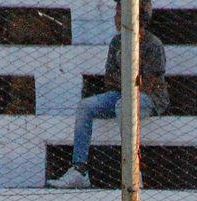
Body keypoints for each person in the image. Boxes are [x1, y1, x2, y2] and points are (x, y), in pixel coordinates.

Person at [47, 0, 168, 189]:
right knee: (85, 106)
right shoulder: (117, 42)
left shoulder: (153, 44)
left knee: (123, 106)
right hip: (121, 93)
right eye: (117, 13)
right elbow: (109, 80)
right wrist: (130, 83)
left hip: (151, 99)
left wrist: (128, 84)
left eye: (120, 14)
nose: (116, 18)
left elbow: (149, 85)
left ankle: (134, 170)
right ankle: (79, 169)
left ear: (136, 17)